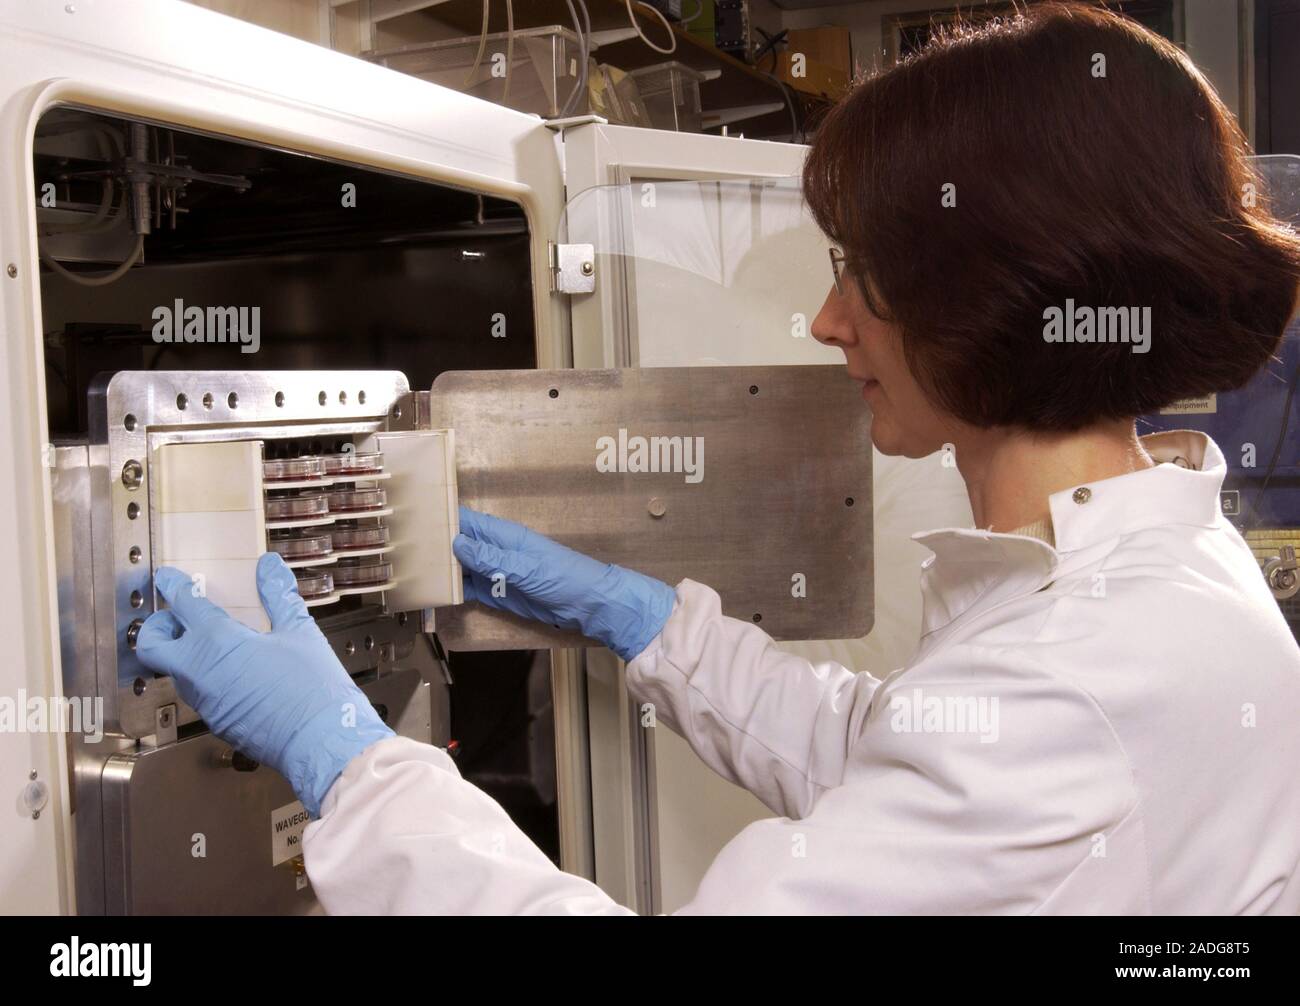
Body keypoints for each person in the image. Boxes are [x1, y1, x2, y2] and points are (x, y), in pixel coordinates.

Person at [137, 2, 1300, 914]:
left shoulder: (1082, 680)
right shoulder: (1160, 573)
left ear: (987, 297)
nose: (829, 321)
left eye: (859, 272)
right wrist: (653, 627)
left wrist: (343, 760)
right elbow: (905, 763)